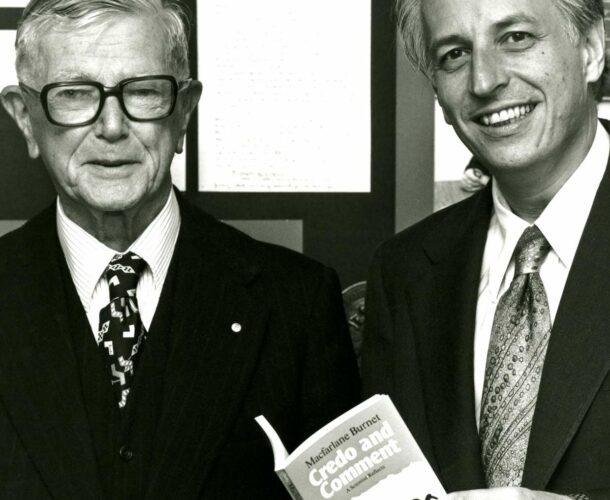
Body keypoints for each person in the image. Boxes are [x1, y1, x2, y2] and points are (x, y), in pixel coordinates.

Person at [0, 1, 360, 498]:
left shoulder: (297, 302)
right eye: (74, 94)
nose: (110, 126)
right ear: (25, 119)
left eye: (143, 92)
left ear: (185, 110)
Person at [362, 0, 610, 498]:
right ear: (436, 87)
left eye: (516, 37)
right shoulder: (406, 272)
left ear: (592, 49)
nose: (483, 81)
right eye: (454, 54)